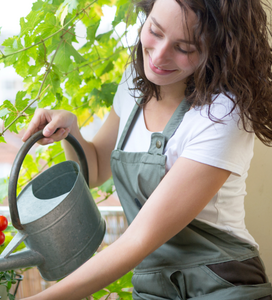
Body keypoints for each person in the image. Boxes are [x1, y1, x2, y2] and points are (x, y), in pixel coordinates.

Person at [20, 0, 272, 299]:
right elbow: (96, 169)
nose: (159, 56)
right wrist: (71, 132)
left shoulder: (221, 113)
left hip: (221, 285)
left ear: (216, 50)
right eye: (154, 30)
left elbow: (138, 240)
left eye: (185, 48)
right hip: (155, 287)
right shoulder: (133, 84)